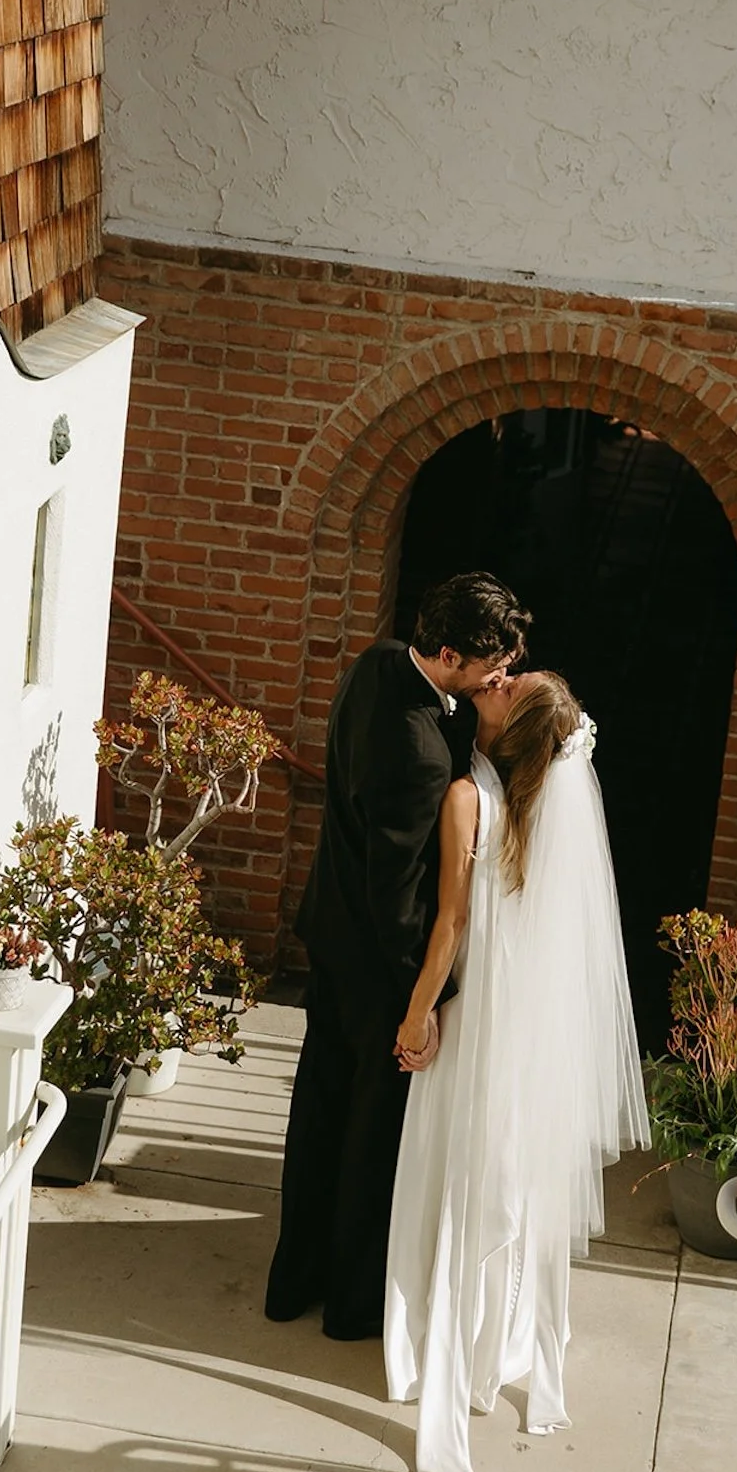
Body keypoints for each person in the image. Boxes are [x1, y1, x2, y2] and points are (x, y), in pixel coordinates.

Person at [384, 671, 649, 1472]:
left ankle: (443, 1342)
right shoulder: (544, 819)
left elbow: (452, 926)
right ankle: (499, 1342)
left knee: (459, 1176)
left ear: (513, 729)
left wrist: (415, 1016)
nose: (492, 683)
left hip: (473, 1033)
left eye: (507, 688)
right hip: (525, 1038)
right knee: (505, 1177)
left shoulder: (468, 797)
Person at [265, 573, 531, 1341]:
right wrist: (429, 995)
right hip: (380, 967)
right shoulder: (419, 756)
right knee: (368, 1138)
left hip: (329, 935)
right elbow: (398, 900)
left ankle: (292, 1280)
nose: (498, 679)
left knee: (317, 1115)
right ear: (448, 652)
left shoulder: (376, 662)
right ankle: (350, 1304)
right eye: (490, 667)